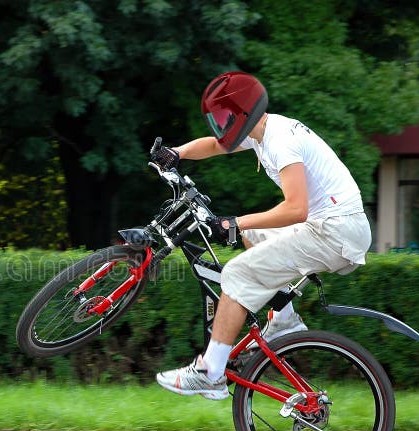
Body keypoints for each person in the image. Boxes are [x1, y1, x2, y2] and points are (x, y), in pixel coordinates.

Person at [152, 71, 372, 400]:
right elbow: (215, 145)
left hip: (335, 231)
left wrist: (233, 223)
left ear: (243, 112)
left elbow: (296, 208)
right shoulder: (262, 130)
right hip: (333, 225)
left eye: (225, 117)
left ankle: (210, 372)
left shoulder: (281, 141)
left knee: (237, 273)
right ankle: (283, 321)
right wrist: (177, 153)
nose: (221, 125)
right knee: (255, 233)